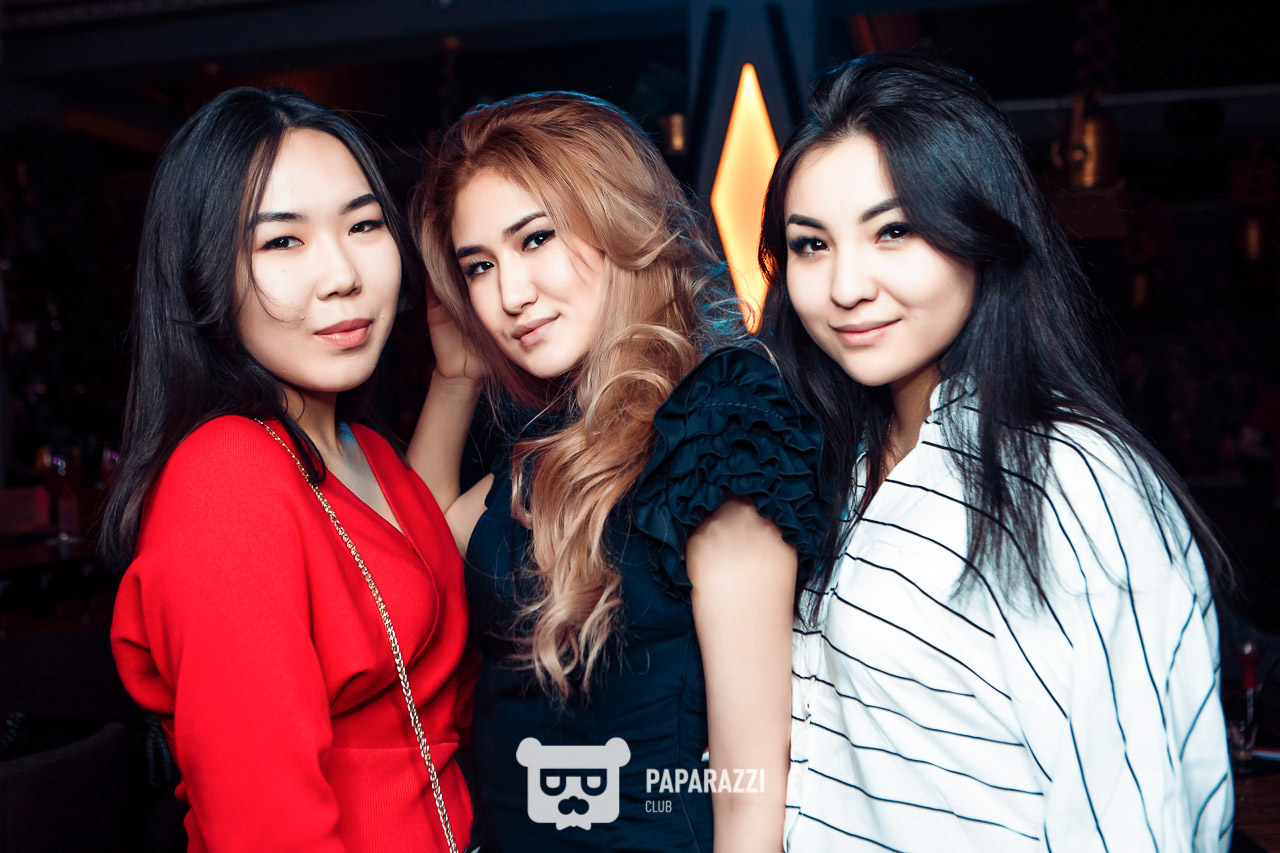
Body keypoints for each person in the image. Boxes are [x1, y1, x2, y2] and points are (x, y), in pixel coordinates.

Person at [759, 55, 1233, 852]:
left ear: (981, 231)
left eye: (894, 230)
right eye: (811, 244)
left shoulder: (1069, 482)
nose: (845, 286)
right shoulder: (840, 463)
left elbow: (1135, 820)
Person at [411, 91, 826, 852]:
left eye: (536, 238)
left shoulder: (720, 423)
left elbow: (752, 783)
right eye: (479, 266)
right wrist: (454, 378)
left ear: (616, 220)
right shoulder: (551, 447)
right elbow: (412, 561)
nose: (509, 295)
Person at [103, 87, 473, 852]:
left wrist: (460, 380)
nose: (341, 273)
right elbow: (265, 828)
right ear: (205, 276)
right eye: (282, 242)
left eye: (363, 225)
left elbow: (416, 574)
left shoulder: (363, 452)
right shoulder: (226, 478)